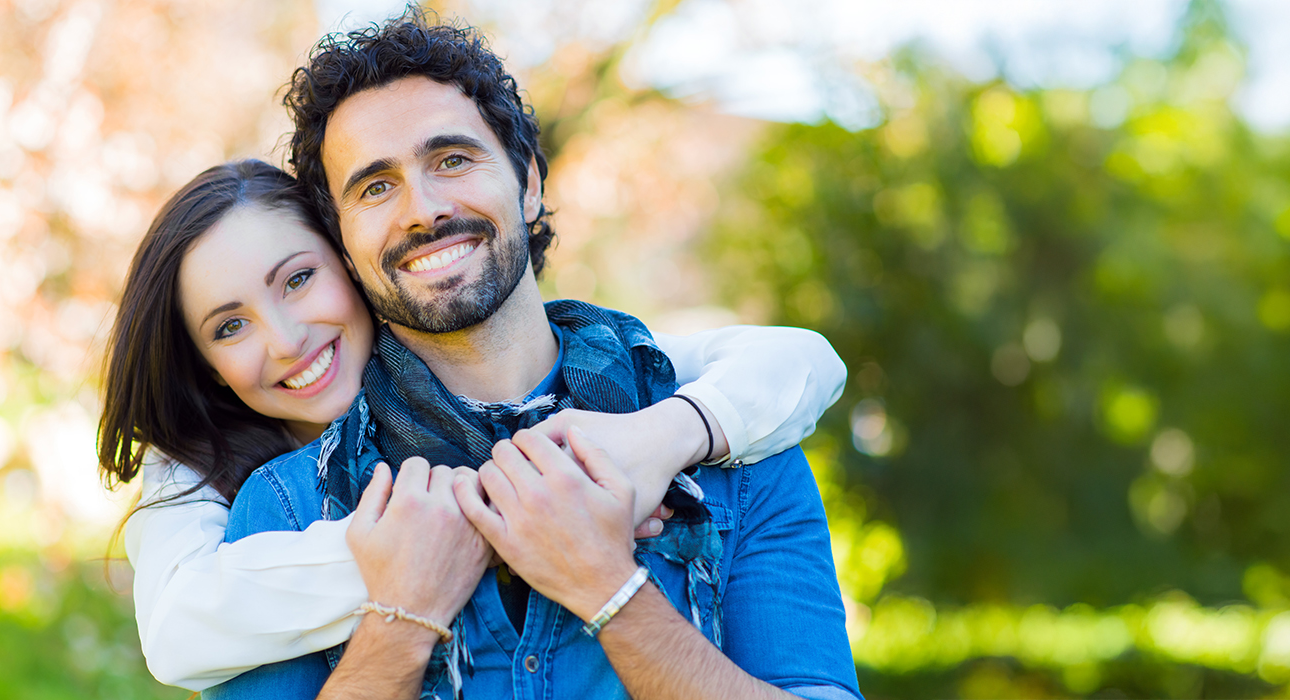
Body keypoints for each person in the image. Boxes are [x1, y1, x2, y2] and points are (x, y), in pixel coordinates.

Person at [208, 10, 861, 700]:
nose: (422, 209)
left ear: (529, 183)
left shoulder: (737, 456)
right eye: (376, 187)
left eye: (452, 159)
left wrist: (608, 588)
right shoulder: (289, 507)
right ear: (342, 243)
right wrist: (402, 624)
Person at [99, 159, 847, 691]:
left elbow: (789, 359)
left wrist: (666, 439)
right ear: (205, 367)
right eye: (230, 328)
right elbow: (177, 635)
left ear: (352, 261)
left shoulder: (636, 391)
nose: (287, 339)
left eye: (298, 279)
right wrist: (429, 572)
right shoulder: (239, 497)